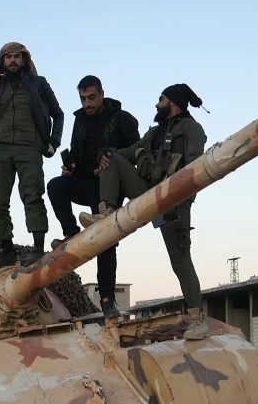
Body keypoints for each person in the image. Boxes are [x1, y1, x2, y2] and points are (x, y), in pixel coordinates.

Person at [80, 83, 210, 339]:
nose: (156, 104)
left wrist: (179, 201)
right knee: (111, 156)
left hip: (173, 198)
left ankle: (197, 320)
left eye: (160, 99)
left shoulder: (192, 130)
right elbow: (128, 153)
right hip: (146, 191)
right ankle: (106, 213)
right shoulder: (155, 132)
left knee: (181, 262)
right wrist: (106, 154)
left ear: (174, 102)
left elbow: (196, 169)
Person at [47, 75, 139, 318]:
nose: (86, 103)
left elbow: (138, 153)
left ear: (102, 94)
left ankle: (108, 300)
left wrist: (112, 159)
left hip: (109, 188)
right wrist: (71, 167)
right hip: (85, 182)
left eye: (91, 97)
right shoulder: (79, 120)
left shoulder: (123, 119)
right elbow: (77, 151)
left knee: (105, 242)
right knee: (55, 186)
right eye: (82, 98)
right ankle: (71, 234)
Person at [0, 42, 63, 263]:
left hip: (30, 147)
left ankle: (38, 247)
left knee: (33, 195)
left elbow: (58, 114)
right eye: (8, 57)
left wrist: (53, 142)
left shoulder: (39, 84)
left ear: (24, 60)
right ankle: (6, 246)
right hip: (0, 149)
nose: (12, 60)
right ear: (2, 61)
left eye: (17, 56)